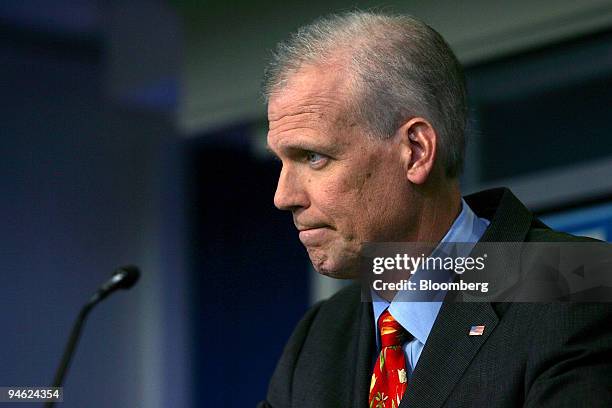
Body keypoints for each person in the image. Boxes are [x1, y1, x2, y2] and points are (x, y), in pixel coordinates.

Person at [258, 11, 611, 408]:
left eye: (314, 157)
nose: (283, 196)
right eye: (282, 163)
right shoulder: (318, 338)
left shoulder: (578, 286)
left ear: (416, 151)